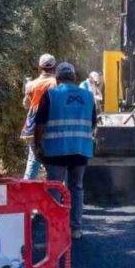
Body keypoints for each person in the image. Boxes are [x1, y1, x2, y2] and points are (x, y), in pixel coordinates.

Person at [33, 62, 97, 239]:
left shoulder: (52, 94)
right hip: (80, 149)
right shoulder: (88, 96)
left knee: (55, 188)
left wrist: (38, 145)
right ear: (74, 77)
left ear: (57, 78)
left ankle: (55, 227)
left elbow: (40, 123)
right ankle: (76, 229)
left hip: (56, 150)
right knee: (76, 187)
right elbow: (93, 122)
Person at [20, 54, 57, 180]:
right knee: (53, 165)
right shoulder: (55, 83)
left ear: (39, 67)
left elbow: (26, 105)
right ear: (55, 67)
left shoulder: (31, 84)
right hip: (50, 126)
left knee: (33, 162)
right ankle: (54, 195)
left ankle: (24, 192)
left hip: (32, 127)